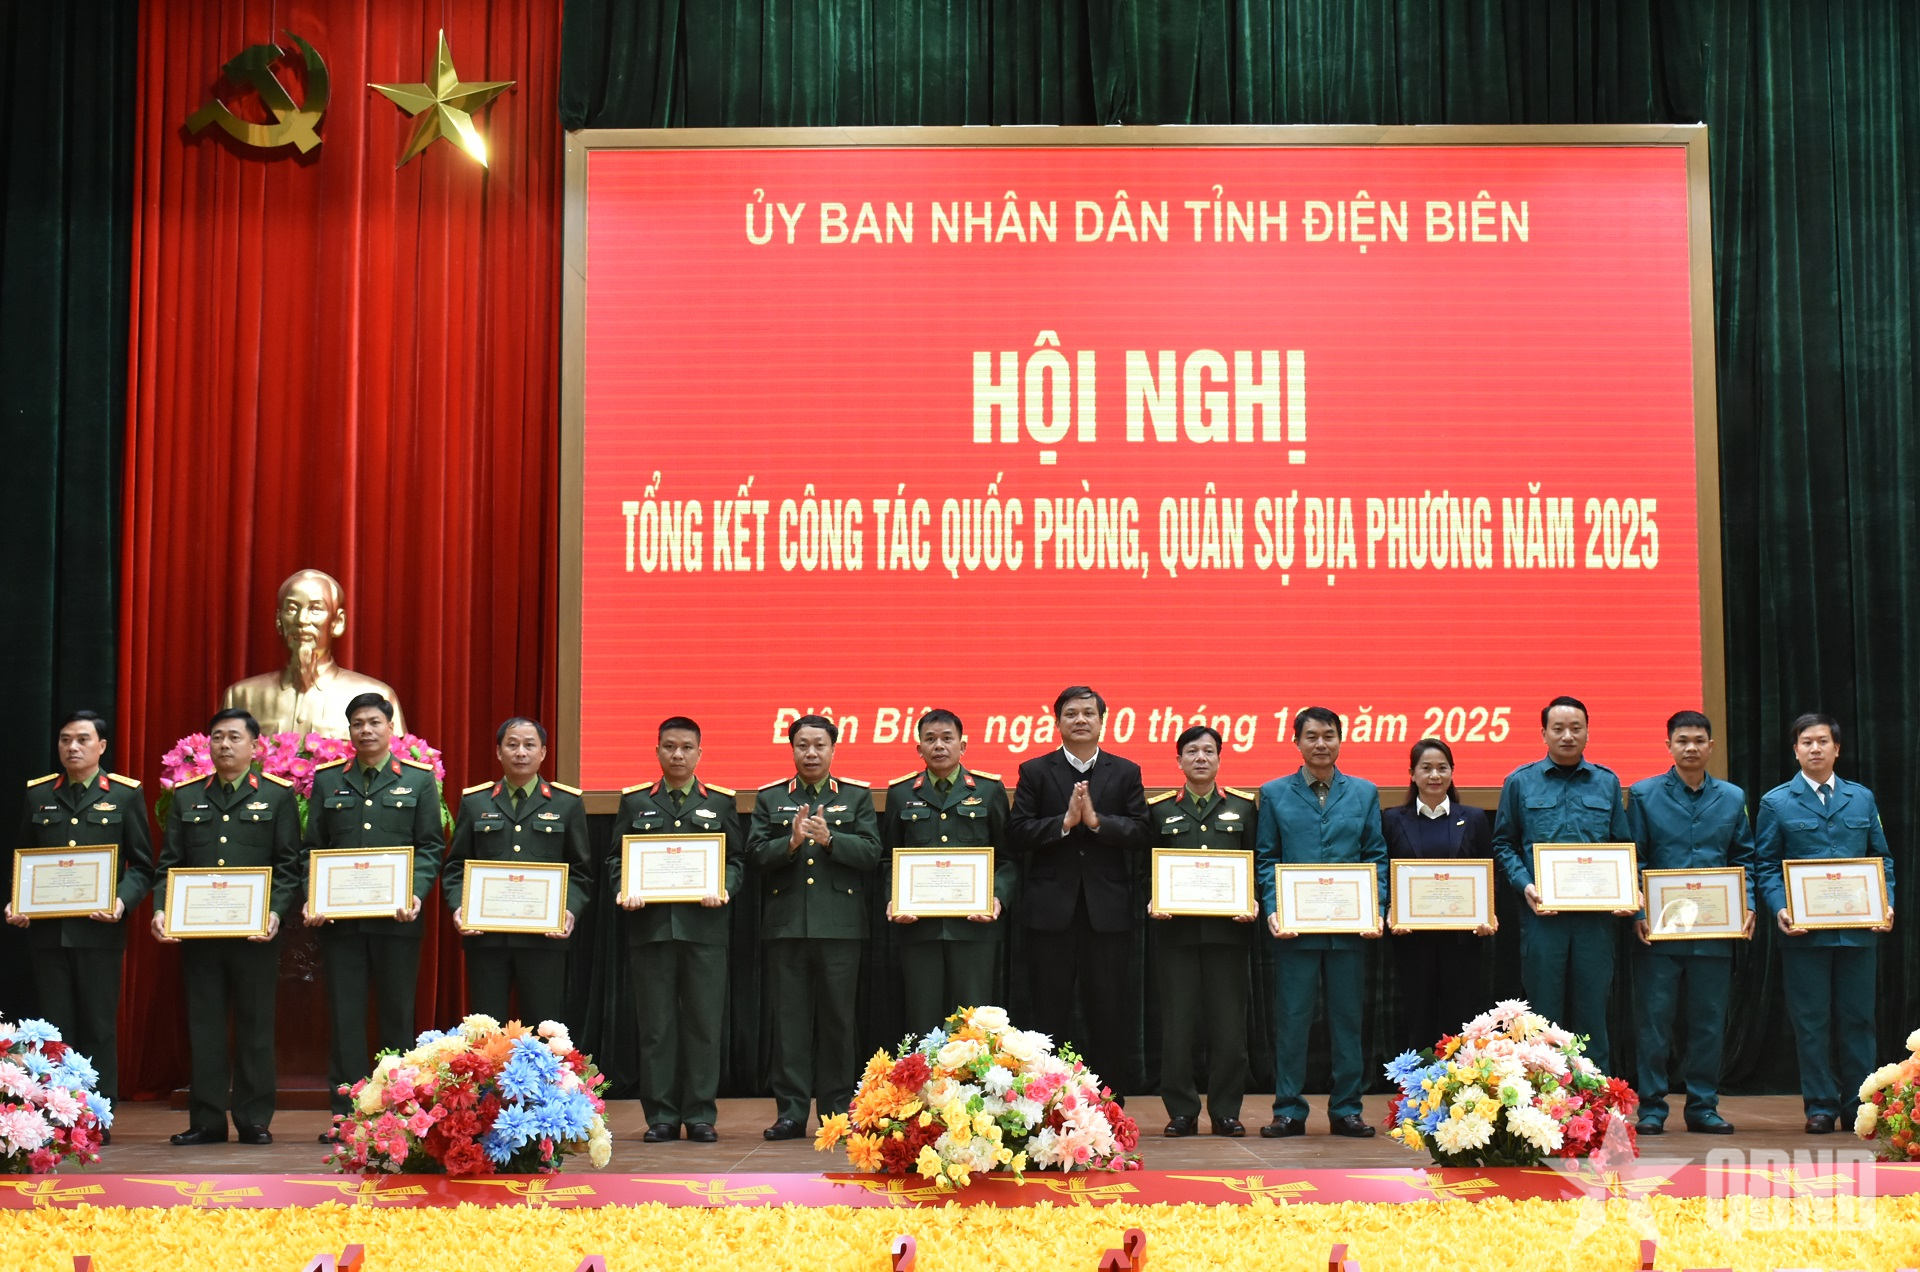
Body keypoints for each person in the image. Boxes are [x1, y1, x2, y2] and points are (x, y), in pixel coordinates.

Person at [152, 709, 301, 1146]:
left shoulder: (276, 796)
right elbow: (170, 865)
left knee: (255, 1028)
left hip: (255, 935)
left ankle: (254, 1119)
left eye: (234, 737)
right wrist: (162, 909)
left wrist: (275, 912)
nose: (224, 745)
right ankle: (207, 1121)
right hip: (200, 935)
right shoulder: (186, 796)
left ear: (255, 746)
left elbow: (288, 866)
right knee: (205, 1028)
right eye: (217, 737)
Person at [303, 693, 443, 1135]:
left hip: (398, 921)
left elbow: (431, 846)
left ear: (390, 728)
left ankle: (397, 1115)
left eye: (374, 722)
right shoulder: (328, 781)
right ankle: (346, 1117)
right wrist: (313, 896)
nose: (366, 730)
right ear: (349, 731)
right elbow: (312, 848)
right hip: (341, 924)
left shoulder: (418, 780)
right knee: (345, 1020)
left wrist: (416, 892)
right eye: (358, 723)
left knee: (396, 1018)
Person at [7, 710, 152, 1125]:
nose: (72, 747)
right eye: (65, 739)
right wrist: (18, 901)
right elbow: (23, 859)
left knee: (98, 1026)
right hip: (48, 932)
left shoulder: (124, 795)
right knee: (54, 1028)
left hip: (99, 931)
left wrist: (121, 901)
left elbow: (143, 866)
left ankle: (95, 1115)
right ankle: (57, 1116)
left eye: (82, 739)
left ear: (101, 746)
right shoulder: (38, 794)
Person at [1756, 712, 1896, 1134]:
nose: (1814, 748)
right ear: (1795, 750)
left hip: (1858, 932)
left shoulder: (1861, 798)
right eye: (1806, 742)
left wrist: (1886, 902)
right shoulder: (1776, 802)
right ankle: (1820, 1106)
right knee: (1811, 1022)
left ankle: (1859, 1107)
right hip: (1804, 936)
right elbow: (1766, 866)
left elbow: (1881, 859)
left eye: (1822, 741)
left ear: (1837, 748)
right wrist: (1780, 907)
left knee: (1859, 1021)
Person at [1007, 686, 1150, 1097]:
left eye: (1089, 713)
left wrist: (1097, 822)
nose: (1081, 720)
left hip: (1107, 913)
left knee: (1108, 1012)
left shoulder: (1125, 771)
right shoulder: (1035, 770)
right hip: (1050, 913)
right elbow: (1017, 833)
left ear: (1102, 721)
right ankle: (1044, 1102)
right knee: (1047, 1014)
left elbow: (1141, 831)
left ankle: (1108, 1103)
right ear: (1057, 722)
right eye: (1071, 713)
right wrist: (1064, 824)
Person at [1254, 707, 1388, 1138]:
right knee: (1293, 1020)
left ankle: (1347, 1109)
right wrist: (1273, 907)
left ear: (1340, 740)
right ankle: (1288, 1110)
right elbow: (1267, 858)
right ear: (1296, 742)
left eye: (1328, 735)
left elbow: (1376, 855)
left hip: (1349, 929)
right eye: (1311, 736)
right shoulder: (1274, 793)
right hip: (1295, 929)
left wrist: (1376, 906)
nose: (1320, 744)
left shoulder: (1364, 792)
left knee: (1347, 1021)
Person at [749, 714, 881, 1140]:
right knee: (789, 1025)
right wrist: (788, 844)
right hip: (786, 927)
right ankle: (790, 1113)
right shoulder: (771, 797)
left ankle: (836, 1112)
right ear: (792, 749)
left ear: (832, 749)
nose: (810, 753)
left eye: (819, 745)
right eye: (802, 745)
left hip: (840, 928)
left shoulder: (856, 796)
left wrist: (830, 840)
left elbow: (872, 853)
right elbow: (755, 856)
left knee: (838, 1023)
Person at [615, 716, 742, 1144]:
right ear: (657, 751)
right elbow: (617, 859)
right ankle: (662, 1116)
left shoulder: (720, 803)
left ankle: (701, 1114)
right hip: (651, 929)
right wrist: (623, 888)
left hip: (704, 930)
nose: (678, 755)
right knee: (657, 1028)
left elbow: (736, 860)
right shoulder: (635, 802)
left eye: (687, 747)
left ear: (699, 753)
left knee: (704, 1025)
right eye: (669, 746)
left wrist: (724, 887)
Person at [1626, 711, 1754, 1136]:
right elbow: (1634, 859)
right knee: (1654, 1024)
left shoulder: (1732, 797)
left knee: (1708, 1023)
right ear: (1669, 746)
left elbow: (1745, 859)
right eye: (1682, 740)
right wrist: (1639, 912)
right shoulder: (1643, 794)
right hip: (1659, 933)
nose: (1691, 747)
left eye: (1699, 740)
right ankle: (1651, 1107)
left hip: (1715, 932)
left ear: (1711, 746)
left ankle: (1702, 1106)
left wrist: (1748, 905)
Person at [1491, 695, 1634, 1073]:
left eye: (1576, 728)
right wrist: (1525, 885)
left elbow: (1621, 844)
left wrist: (1626, 888)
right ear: (1544, 734)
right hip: (1543, 918)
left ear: (1587, 732)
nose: (1567, 736)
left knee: (1592, 1015)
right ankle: (1542, 1100)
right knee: (1542, 1016)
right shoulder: (1520, 782)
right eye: (1558, 729)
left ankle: (1594, 1097)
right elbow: (1504, 844)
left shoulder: (1606, 782)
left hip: (1595, 922)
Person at [1146, 725, 1258, 1138]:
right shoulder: (1159, 810)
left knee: (1229, 1031)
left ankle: (1226, 1111)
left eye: (1209, 751)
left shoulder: (1244, 808)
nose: (1200, 758)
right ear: (1178, 761)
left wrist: (1253, 901)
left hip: (1228, 935)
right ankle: (1182, 1111)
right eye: (1192, 751)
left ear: (1219, 759)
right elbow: (1144, 869)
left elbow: (1255, 862)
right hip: (1176, 936)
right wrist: (1151, 899)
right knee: (1177, 1029)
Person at [445, 717, 590, 1026]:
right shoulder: (475, 802)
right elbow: (456, 865)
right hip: (486, 938)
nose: (521, 752)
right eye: (512, 745)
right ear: (499, 752)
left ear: (543, 752)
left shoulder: (566, 804)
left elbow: (580, 870)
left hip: (543, 939)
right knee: (485, 1031)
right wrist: (459, 906)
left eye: (529, 745)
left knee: (544, 1028)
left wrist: (568, 910)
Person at [881, 709, 1015, 1034]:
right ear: (919, 748)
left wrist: (997, 897)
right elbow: (888, 860)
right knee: (922, 1020)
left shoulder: (988, 790)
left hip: (974, 927)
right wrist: (893, 899)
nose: (939, 745)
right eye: (930, 739)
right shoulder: (901, 793)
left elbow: (1008, 858)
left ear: (962, 745)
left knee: (975, 1023)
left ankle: (975, 1071)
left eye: (947, 738)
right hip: (919, 927)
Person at [1382, 738, 1496, 1053]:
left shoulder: (1473, 818)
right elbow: (1384, 871)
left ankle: (1466, 1080)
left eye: (1442, 768)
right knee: (1418, 1019)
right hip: (1412, 939)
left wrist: (1487, 912)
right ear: (1412, 773)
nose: (1435, 775)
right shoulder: (1392, 819)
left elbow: (1489, 871)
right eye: (1426, 768)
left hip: (1463, 940)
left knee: (1463, 1020)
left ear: (1452, 772)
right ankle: (1417, 1081)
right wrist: (1390, 909)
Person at [222, 569, 406, 737]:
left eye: (315, 609)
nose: (301, 620)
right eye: (292, 608)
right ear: (279, 621)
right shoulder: (241, 696)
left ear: (338, 622)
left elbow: (398, 759)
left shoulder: (377, 696)